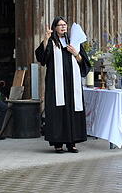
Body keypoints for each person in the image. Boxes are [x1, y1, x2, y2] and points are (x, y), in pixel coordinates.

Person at [35, 17, 91, 153]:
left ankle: (72, 142)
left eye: (65, 25)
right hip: (56, 85)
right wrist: (46, 39)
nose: (63, 27)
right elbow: (42, 58)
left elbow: (85, 64)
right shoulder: (52, 43)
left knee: (73, 110)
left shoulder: (74, 42)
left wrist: (76, 53)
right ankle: (58, 143)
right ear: (55, 28)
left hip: (72, 85)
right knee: (58, 111)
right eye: (60, 25)